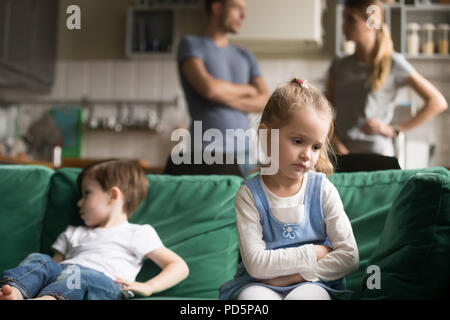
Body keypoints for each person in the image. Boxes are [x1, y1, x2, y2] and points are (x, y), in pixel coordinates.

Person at [219, 79, 359, 300]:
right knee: (252, 300)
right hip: (258, 284)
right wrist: (314, 252)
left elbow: (349, 256)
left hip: (315, 282)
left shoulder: (323, 190)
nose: (307, 154)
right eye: (297, 141)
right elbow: (256, 265)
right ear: (266, 136)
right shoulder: (249, 195)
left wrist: (293, 277)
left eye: (315, 146)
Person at [0, 160, 189, 300]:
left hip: (102, 283)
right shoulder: (74, 232)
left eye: (86, 194)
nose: (78, 202)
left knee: (79, 275)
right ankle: (15, 291)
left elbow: (178, 266)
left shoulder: (138, 233)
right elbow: (53, 266)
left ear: (113, 196)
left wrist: (149, 287)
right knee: (40, 259)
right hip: (65, 274)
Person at [327, 0, 448, 157]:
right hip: (340, 155)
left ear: (372, 22)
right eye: (344, 19)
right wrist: (334, 141)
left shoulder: (394, 63)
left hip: (377, 154)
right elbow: (325, 111)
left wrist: (394, 130)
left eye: (351, 19)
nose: (344, 26)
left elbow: (437, 102)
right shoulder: (339, 65)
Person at [176, 0, 269, 177]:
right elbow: (209, 88)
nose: (243, 16)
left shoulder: (245, 54)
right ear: (217, 7)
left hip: (246, 153)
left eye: (244, 10)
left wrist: (222, 96)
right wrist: (248, 89)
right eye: (237, 8)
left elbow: (265, 100)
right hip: (207, 152)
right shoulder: (191, 45)